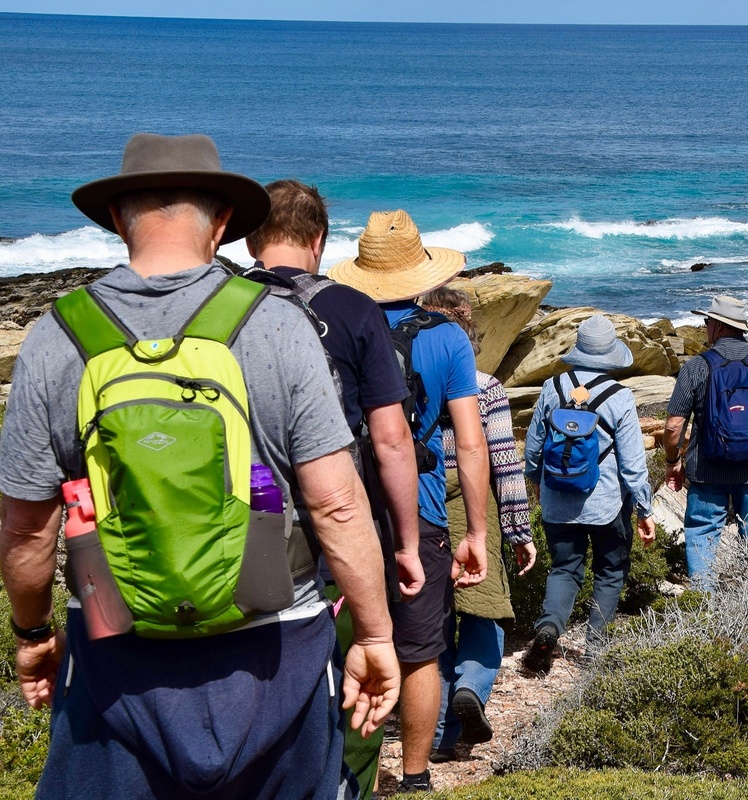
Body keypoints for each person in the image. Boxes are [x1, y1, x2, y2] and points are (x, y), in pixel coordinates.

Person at [0, 132, 398, 799]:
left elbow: (26, 529)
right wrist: (376, 634)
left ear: (118, 220)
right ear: (220, 225)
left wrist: (32, 631)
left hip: (116, 655)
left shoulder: (58, 335)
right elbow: (336, 503)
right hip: (279, 650)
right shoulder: (278, 325)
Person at [241, 179, 423, 798]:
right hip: (341, 529)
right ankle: (348, 784)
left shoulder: (219, 306)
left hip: (241, 526)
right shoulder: (352, 308)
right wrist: (403, 541)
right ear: (319, 240)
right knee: (359, 685)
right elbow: (393, 438)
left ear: (248, 239)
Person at [329, 210, 489, 794]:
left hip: (344, 501)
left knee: (347, 641)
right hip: (420, 509)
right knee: (421, 649)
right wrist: (477, 531)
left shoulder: (339, 327)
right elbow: (469, 444)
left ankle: (354, 774)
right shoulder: (447, 337)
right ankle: (416, 777)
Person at [416, 287, 538, 760]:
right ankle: (471, 686)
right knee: (485, 611)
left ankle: (440, 737)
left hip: (422, 500)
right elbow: (504, 463)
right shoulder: (485, 387)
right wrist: (519, 531)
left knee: (435, 621)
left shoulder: (405, 382)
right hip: (472, 505)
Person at [523, 315, 657, 671]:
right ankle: (596, 651)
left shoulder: (553, 388)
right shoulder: (620, 396)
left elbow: (534, 446)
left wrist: (536, 482)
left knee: (565, 568)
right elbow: (632, 463)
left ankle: (549, 627)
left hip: (557, 500)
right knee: (610, 571)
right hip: (607, 504)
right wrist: (645, 509)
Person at [662, 296, 748, 591]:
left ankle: (704, 605)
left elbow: (673, 426)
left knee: (702, 533)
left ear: (719, 326)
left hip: (707, 470)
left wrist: (673, 462)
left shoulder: (696, 367)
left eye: (707, 322)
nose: (705, 326)